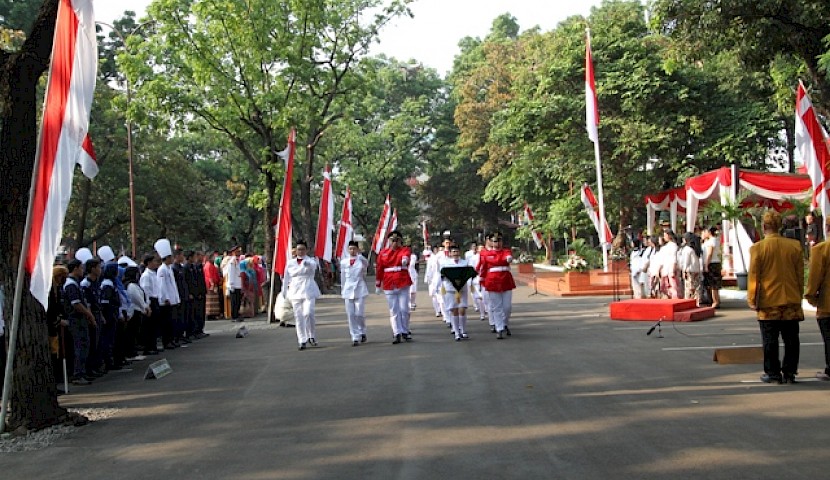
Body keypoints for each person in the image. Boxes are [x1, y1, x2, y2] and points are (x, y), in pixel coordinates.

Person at [748, 210, 804, 384]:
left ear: (764, 227)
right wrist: (798, 295)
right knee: (791, 339)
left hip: (768, 301)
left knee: (770, 340)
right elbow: (800, 275)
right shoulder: (794, 246)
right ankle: (790, 372)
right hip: (790, 300)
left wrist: (752, 299)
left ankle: (773, 372)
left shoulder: (758, 248)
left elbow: (754, 277)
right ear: (779, 226)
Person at [282, 241, 321, 350]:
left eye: (303, 249)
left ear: (306, 250)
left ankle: (311, 335)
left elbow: (313, 266)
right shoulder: (290, 262)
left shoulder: (311, 260)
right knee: (298, 316)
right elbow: (286, 277)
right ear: (295, 250)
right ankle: (302, 339)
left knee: (308, 313)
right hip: (295, 290)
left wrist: (307, 263)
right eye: (299, 249)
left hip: (308, 288)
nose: (301, 251)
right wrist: (284, 290)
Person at [375, 230, 413, 344]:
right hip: (389, 282)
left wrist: (405, 260)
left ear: (400, 241)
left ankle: (405, 331)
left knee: (404, 309)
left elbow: (405, 257)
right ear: (389, 241)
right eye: (392, 240)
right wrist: (378, 283)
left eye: (397, 240)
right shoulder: (383, 253)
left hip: (402, 281)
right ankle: (396, 332)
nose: (394, 243)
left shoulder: (404, 250)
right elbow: (380, 268)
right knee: (394, 310)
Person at [804, 218, 830, 381]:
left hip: (827, 304)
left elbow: (814, 278)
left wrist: (811, 296)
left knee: (829, 338)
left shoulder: (822, 249)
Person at [477, 231, 516, 339]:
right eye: (495, 241)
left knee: (507, 307)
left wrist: (509, 259)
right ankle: (499, 328)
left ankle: (504, 323)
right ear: (491, 242)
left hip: (505, 281)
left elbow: (508, 257)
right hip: (493, 281)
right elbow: (483, 268)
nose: (497, 243)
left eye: (499, 241)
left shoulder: (506, 251)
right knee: (496, 307)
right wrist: (481, 280)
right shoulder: (487, 254)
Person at [63, 259, 96, 385]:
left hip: (81, 319)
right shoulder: (70, 284)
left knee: (84, 345)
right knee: (80, 346)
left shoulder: (76, 283)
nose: (82, 270)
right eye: (81, 268)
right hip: (75, 319)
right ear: (75, 268)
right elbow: (76, 304)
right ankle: (78, 374)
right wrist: (89, 315)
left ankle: (82, 371)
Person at [440, 244, 474, 341]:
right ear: (450, 253)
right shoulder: (445, 263)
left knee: (462, 310)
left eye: (457, 251)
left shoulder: (464, 263)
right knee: (454, 311)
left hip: (462, 289)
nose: (455, 253)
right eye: (453, 252)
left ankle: (463, 330)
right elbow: (442, 276)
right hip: (450, 289)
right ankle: (456, 332)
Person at [340, 241, 369, 346]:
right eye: (350, 248)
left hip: (359, 287)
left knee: (359, 314)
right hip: (348, 289)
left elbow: (367, 265)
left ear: (357, 249)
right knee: (351, 314)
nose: (352, 250)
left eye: (354, 248)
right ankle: (355, 336)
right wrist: (342, 289)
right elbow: (342, 276)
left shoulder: (361, 260)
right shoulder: (343, 262)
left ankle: (362, 331)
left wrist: (361, 257)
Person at [155, 238, 181, 350]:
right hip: (167, 300)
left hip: (173, 297)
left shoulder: (169, 268)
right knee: (167, 322)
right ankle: (167, 341)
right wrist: (165, 298)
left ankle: (172, 339)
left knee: (173, 321)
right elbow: (162, 285)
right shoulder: (162, 270)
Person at [140, 253, 161, 355]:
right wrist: (147, 304)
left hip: (156, 299)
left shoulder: (153, 273)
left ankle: (153, 345)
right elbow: (146, 291)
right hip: (150, 300)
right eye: (154, 261)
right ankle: (148, 347)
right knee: (149, 325)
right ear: (148, 263)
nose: (156, 263)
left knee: (155, 325)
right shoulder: (146, 275)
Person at [702, 226, 722, 308]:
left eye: (705, 231)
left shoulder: (712, 241)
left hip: (712, 263)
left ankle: (715, 301)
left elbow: (710, 253)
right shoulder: (711, 240)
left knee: (713, 284)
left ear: (709, 232)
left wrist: (706, 265)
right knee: (711, 284)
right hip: (713, 262)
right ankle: (715, 300)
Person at [679, 232, 703, 304]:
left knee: (689, 288)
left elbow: (686, 261)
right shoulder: (695, 249)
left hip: (689, 270)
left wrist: (683, 270)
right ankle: (697, 302)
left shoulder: (687, 249)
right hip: (696, 270)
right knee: (697, 288)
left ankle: (688, 302)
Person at [659, 230, 680, 299]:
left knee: (673, 286)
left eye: (665, 235)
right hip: (666, 269)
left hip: (671, 268)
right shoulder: (666, 246)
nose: (664, 237)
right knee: (665, 287)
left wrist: (673, 269)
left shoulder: (673, 245)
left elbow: (674, 258)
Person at [204, 251, 223, 320]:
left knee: (214, 301)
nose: (214, 258)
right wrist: (212, 284)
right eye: (213, 257)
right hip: (210, 285)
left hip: (214, 283)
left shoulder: (211, 265)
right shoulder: (208, 265)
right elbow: (209, 276)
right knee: (210, 301)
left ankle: (213, 314)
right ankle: (210, 314)